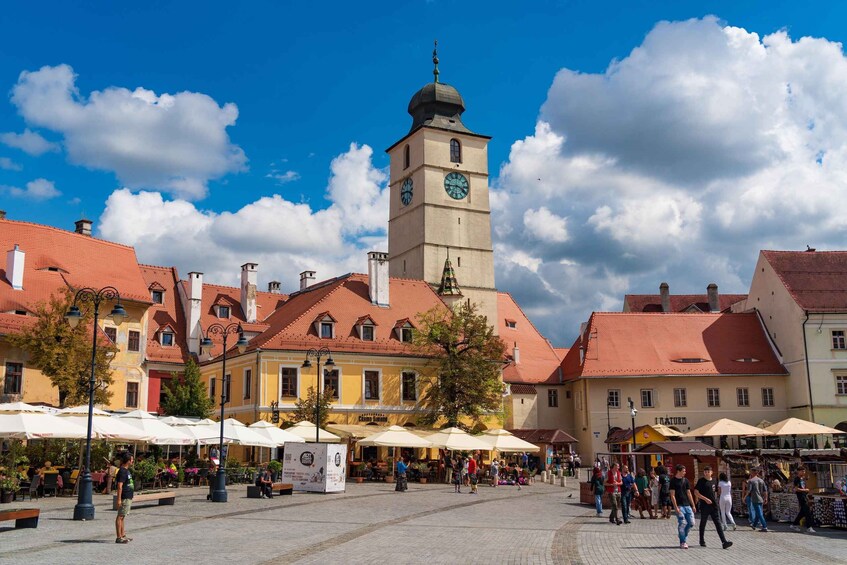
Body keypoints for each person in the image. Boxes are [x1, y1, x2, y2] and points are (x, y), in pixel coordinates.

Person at [694, 465, 733, 549]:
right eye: (705, 471)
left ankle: (724, 542)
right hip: (704, 505)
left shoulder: (715, 480)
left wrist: (718, 497)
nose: (706, 473)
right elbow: (696, 492)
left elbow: (715, 492)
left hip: (714, 505)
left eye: (708, 471)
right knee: (703, 523)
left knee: (718, 524)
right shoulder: (701, 481)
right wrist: (705, 499)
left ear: (711, 472)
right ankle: (701, 540)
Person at [669, 464, 696, 549]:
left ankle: (683, 535)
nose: (685, 472)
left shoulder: (686, 480)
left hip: (687, 505)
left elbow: (689, 493)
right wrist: (676, 506)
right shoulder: (673, 481)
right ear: (678, 471)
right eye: (683, 471)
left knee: (691, 523)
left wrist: (693, 505)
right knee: (682, 523)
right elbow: (672, 495)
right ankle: (683, 542)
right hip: (680, 506)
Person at [115, 452, 134, 544]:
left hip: (128, 496)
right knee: (120, 516)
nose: (133, 461)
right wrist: (118, 499)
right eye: (132, 459)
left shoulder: (126, 470)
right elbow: (119, 485)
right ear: (128, 461)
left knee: (123, 516)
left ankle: (123, 535)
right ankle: (119, 537)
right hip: (124, 496)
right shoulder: (122, 471)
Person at [790, 466, 816, 533]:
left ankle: (794, 524)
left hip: (805, 496)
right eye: (802, 471)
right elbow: (796, 489)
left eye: (804, 471)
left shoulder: (802, 479)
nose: (803, 472)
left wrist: (806, 490)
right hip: (801, 497)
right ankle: (809, 527)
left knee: (802, 512)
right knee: (807, 512)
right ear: (798, 471)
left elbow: (804, 487)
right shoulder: (797, 479)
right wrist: (805, 490)